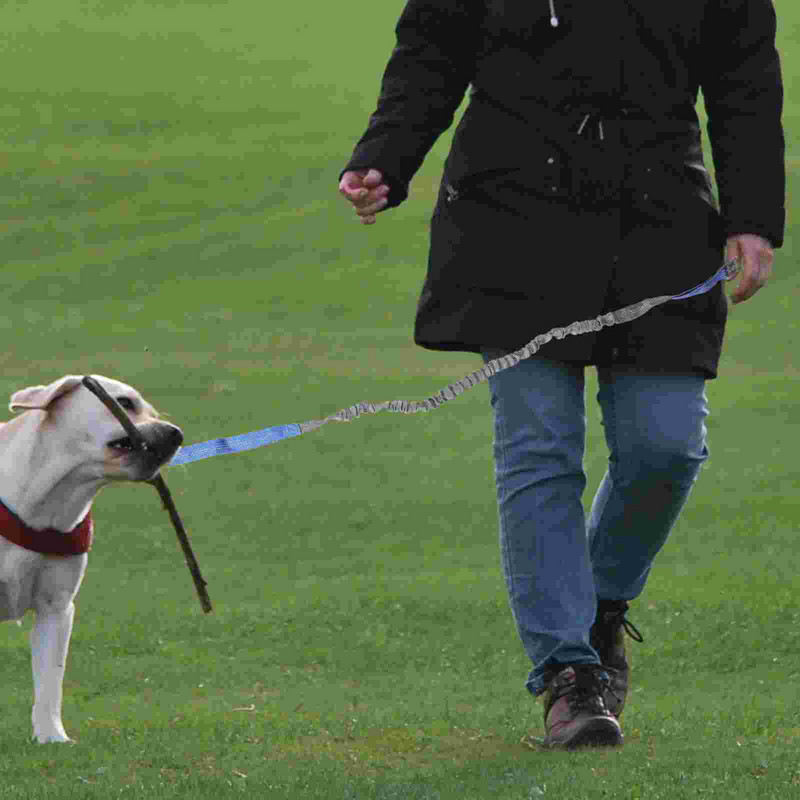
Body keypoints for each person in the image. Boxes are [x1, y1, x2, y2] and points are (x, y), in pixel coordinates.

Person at [338, 1, 784, 749]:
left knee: (665, 448)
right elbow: (433, 48)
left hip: (661, 221)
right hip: (510, 221)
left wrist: (754, 215)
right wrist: (387, 153)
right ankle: (569, 673)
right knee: (539, 448)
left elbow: (744, 78)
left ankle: (599, 611)